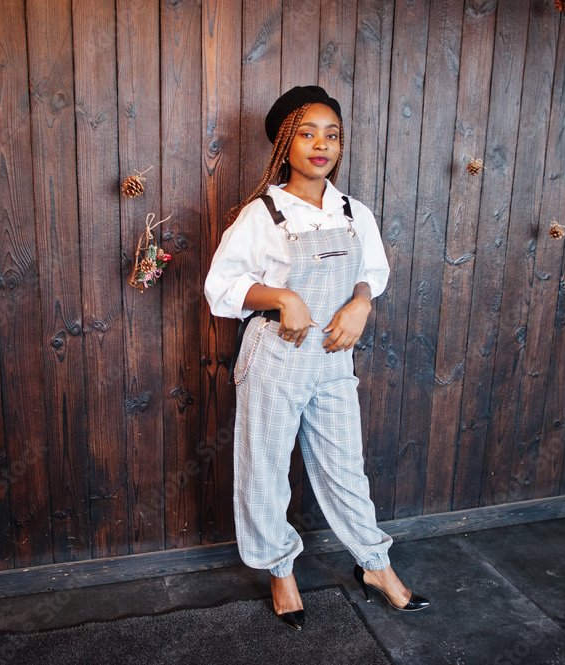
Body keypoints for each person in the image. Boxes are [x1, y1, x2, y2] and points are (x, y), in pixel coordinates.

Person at [204, 86, 430, 630]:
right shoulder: (262, 214)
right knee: (264, 470)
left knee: (344, 468)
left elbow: (372, 273)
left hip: (333, 358)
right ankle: (280, 570)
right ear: (286, 143)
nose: (321, 144)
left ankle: (375, 565)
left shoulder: (354, 212)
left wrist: (360, 303)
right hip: (275, 357)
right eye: (307, 133)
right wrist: (281, 296)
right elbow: (221, 287)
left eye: (331, 134)